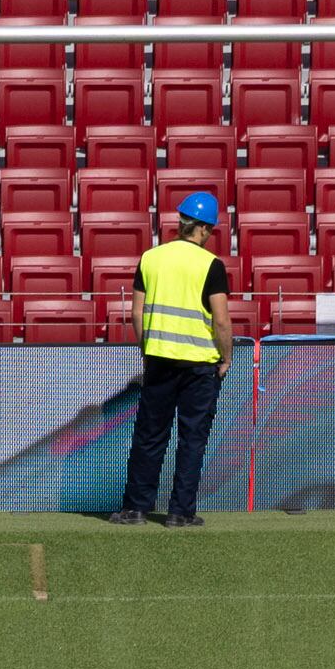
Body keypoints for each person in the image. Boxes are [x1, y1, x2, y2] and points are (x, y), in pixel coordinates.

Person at [111, 189, 234, 526]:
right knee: (192, 440)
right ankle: (180, 513)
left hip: (160, 359)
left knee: (150, 435)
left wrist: (147, 351)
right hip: (200, 365)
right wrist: (226, 357)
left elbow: (137, 314)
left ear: (181, 223)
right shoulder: (212, 265)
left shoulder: (151, 258)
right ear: (206, 229)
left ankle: (136, 508)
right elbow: (221, 320)